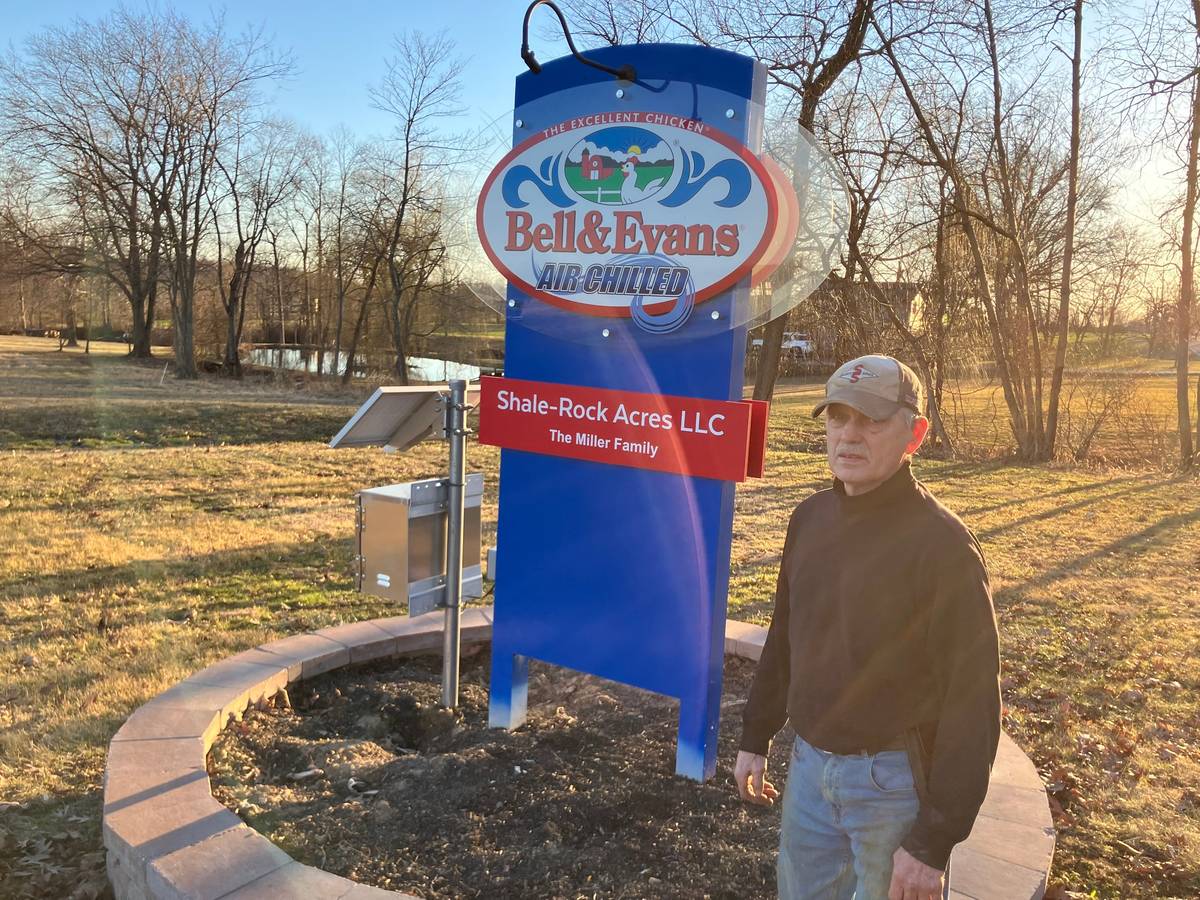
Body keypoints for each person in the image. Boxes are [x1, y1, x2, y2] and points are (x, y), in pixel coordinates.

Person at [734, 354, 1001, 900]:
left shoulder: (942, 547)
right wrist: (756, 734)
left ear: (915, 433)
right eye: (837, 417)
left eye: (872, 421)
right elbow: (785, 637)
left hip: (893, 787)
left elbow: (973, 702)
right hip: (808, 769)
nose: (849, 436)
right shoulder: (808, 519)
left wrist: (933, 842)